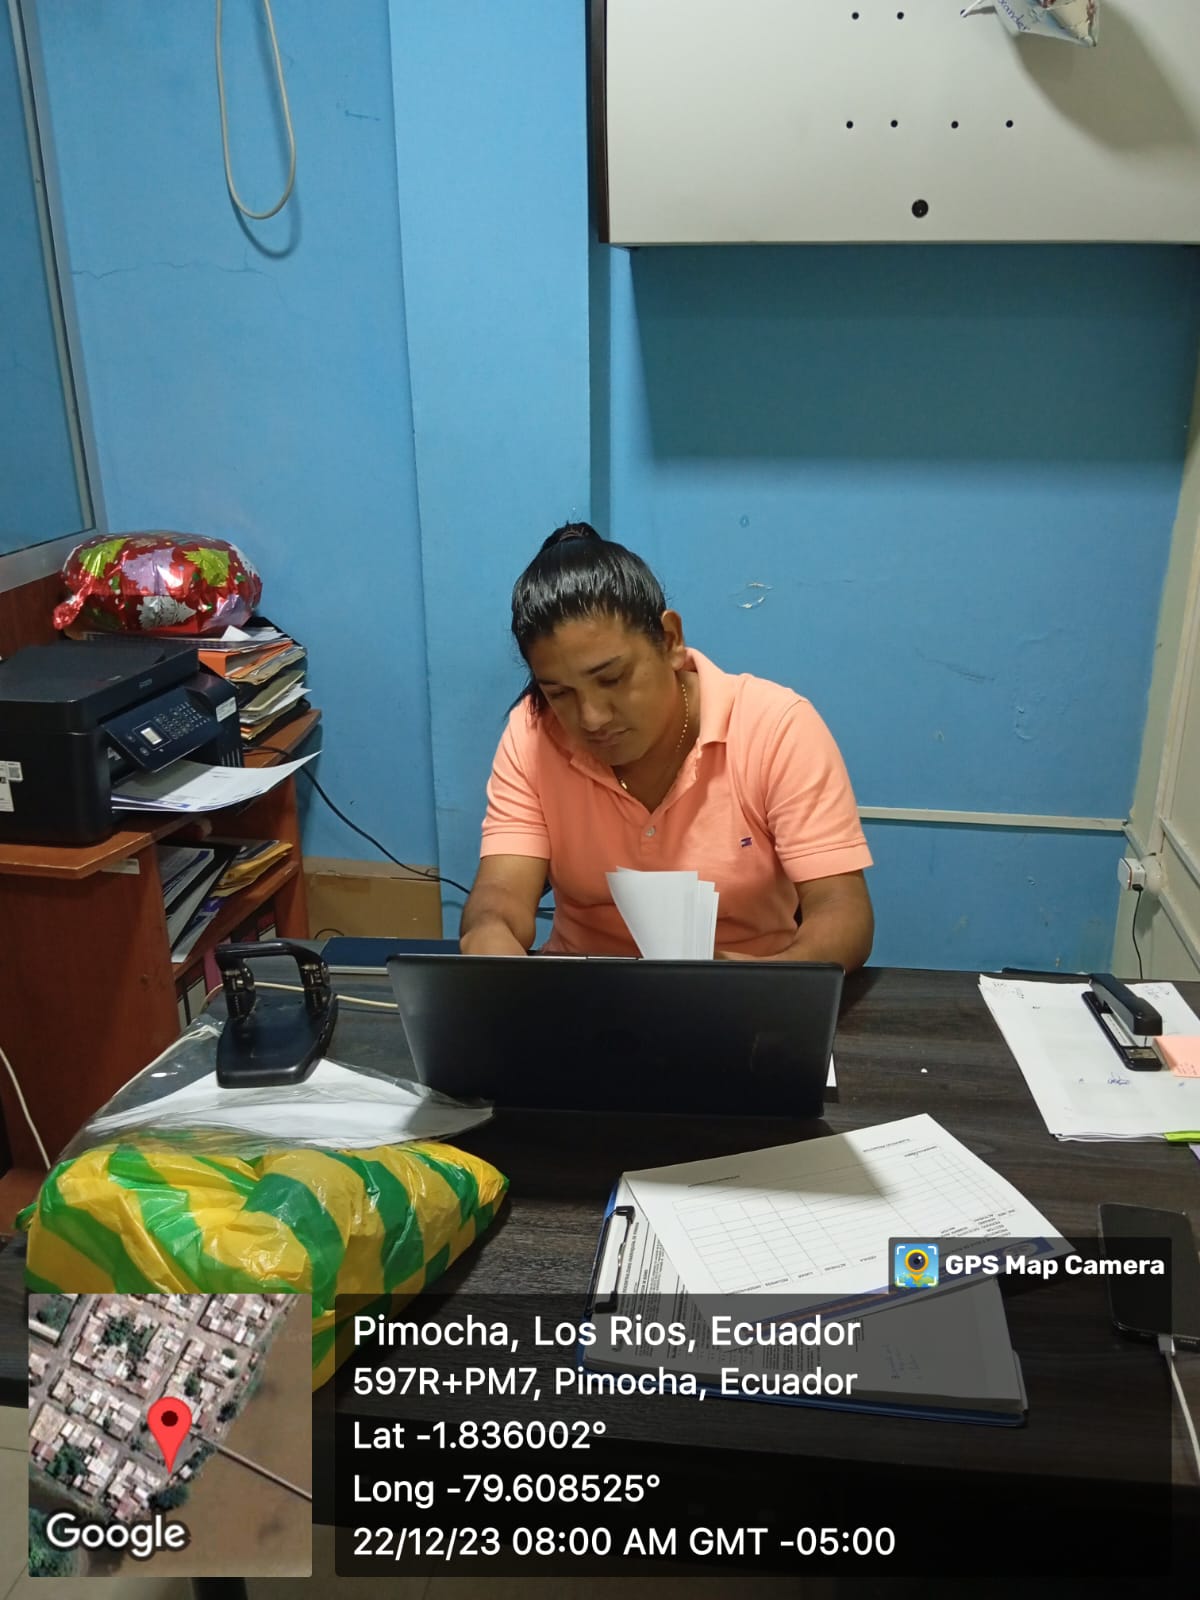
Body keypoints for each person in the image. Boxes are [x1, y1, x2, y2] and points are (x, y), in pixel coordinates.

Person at [460, 524, 874, 967]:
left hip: (750, 992)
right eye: (560, 693)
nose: (592, 717)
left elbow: (840, 910)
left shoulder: (776, 727)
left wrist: (766, 981)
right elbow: (501, 893)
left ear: (671, 640)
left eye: (612, 678)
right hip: (579, 990)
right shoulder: (533, 732)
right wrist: (490, 940)